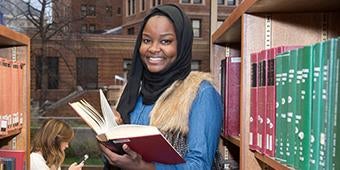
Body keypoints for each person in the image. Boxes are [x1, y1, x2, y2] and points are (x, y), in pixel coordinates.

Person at [99, 4, 223, 169]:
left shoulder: (201, 93)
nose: (153, 49)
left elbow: (200, 166)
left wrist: (145, 167)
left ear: (182, 45)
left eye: (165, 41)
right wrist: (110, 143)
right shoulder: (132, 92)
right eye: (147, 40)